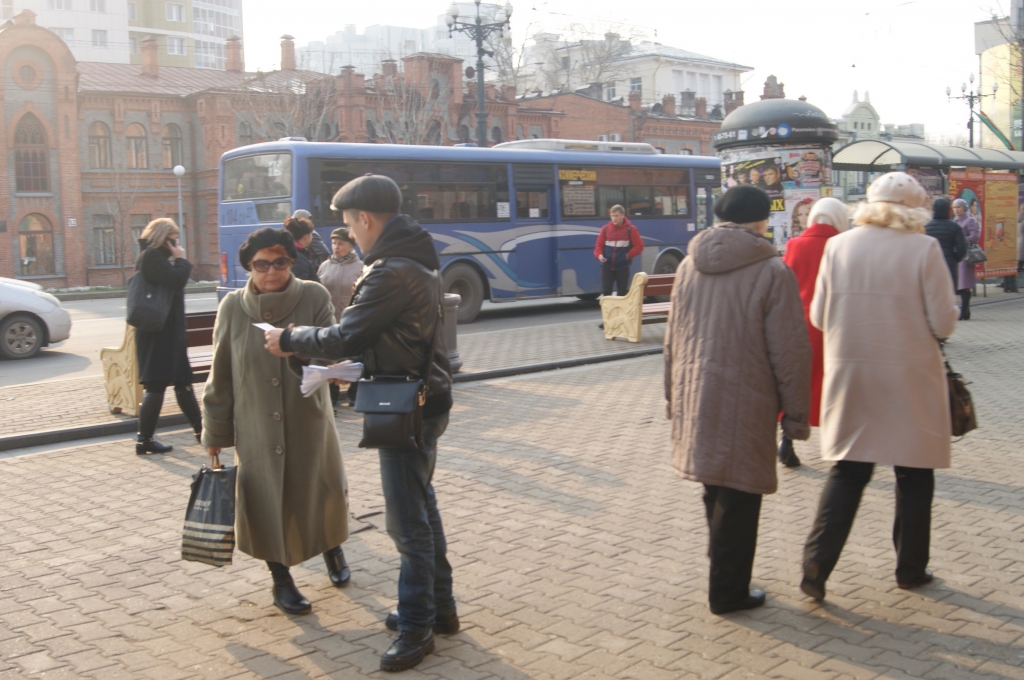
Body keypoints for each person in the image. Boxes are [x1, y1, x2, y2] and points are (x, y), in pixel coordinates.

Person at [264, 175, 456, 673]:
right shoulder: (418, 258)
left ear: (365, 220)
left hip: (404, 405)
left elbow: (347, 334)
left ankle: (418, 628)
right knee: (423, 507)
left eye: (350, 223)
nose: (349, 231)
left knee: (407, 524)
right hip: (425, 397)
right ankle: (441, 609)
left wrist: (289, 337)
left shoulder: (390, 271)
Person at [800, 172, 958, 601]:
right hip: (910, 375)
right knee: (913, 471)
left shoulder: (838, 246)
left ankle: (816, 563)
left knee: (848, 471)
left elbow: (817, 315)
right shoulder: (924, 248)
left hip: (852, 374)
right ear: (913, 209)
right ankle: (910, 569)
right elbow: (944, 321)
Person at [664, 184, 811, 615]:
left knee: (715, 487)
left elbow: (671, 340)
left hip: (697, 394)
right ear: (761, 221)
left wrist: (673, 396)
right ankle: (728, 592)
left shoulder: (689, 265)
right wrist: (796, 416)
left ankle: (723, 573)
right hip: (747, 398)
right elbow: (789, 350)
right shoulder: (772, 271)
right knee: (742, 497)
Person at [201, 227, 350, 616]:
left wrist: (296, 348)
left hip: (308, 422)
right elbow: (220, 375)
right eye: (261, 264)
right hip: (256, 427)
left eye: (280, 262)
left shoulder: (313, 296)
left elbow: (333, 354)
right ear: (248, 267)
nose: (271, 272)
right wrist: (214, 434)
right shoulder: (233, 307)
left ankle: (332, 547)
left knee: (321, 492)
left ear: (291, 260)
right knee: (265, 502)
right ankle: (280, 580)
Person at [777, 197, 849, 469]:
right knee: (833, 386)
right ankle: (838, 446)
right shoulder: (844, 244)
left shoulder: (794, 244)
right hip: (834, 323)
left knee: (797, 384)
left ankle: (788, 440)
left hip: (799, 323)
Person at [133, 218, 203, 455]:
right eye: (174, 239)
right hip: (157, 334)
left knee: (183, 382)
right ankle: (144, 440)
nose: (177, 243)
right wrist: (181, 258)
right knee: (156, 384)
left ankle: (201, 430)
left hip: (168, 332)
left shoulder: (154, 257)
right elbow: (177, 280)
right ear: (164, 239)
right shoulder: (152, 257)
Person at [318, 227, 365, 407]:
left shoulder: (360, 267)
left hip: (350, 321)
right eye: (334, 243)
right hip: (329, 321)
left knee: (352, 358)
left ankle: (355, 395)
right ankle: (332, 400)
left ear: (351, 246)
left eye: (341, 244)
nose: (336, 247)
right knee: (331, 359)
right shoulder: (324, 266)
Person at [594, 204, 644, 296]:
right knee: (606, 292)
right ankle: (608, 311)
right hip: (607, 266)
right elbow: (598, 245)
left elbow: (640, 246)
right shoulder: (605, 229)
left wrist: (628, 255)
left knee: (621, 294)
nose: (614, 218)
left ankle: (620, 311)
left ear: (622, 216)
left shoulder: (630, 229)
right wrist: (599, 255)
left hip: (623, 267)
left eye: (616, 216)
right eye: (612, 216)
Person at [924, 197, 967, 291]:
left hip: (930, 265)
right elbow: (962, 249)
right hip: (949, 265)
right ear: (948, 210)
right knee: (949, 295)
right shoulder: (955, 227)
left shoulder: (926, 227)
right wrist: (954, 258)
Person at [953, 198, 980, 320]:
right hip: (957, 256)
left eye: (958, 207)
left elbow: (975, 236)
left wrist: (962, 241)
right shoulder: (954, 221)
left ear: (964, 208)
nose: (956, 210)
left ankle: (964, 309)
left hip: (966, 256)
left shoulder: (969, 221)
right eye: (954, 207)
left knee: (965, 284)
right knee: (960, 284)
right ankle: (965, 310)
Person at [283, 216, 321, 283]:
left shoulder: (288, 251)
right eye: (311, 234)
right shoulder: (298, 258)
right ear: (306, 237)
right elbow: (301, 287)